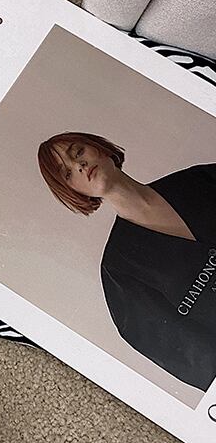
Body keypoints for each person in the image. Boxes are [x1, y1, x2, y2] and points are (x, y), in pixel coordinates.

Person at [37, 131, 216, 391]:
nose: (80, 166)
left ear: (101, 148)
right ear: (73, 190)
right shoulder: (119, 271)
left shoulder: (198, 181)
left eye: (78, 152)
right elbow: (192, 359)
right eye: (68, 173)